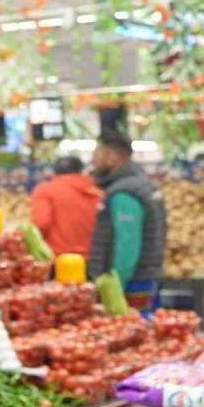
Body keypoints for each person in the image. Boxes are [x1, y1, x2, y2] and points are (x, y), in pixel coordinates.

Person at [87, 131, 167, 312]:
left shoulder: (125, 192)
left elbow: (127, 246)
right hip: (145, 277)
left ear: (113, 157)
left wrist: (114, 289)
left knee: (134, 325)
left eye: (97, 153)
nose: (93, 159)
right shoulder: (142, 185)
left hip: (131, 284)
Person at [30, 155, 102, 257]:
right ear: (81, 170)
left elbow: (41, 223)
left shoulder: (44, 190)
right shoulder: (97, 193)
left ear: (54, 172)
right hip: (91, 256)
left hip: (58, 258)